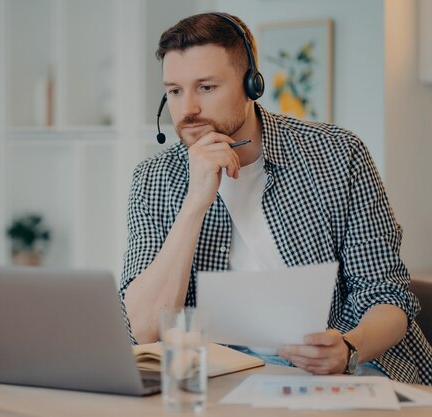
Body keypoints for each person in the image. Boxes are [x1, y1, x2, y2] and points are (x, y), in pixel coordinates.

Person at [119, 12, 432, 385]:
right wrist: (195, 202)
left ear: (252, 85)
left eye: (206, 87)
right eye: (174, 91)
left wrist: (349, 347)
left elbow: (387, 295)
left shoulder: (337, 154)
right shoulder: (154, 178)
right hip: (226, 379)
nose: (187, 110)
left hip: (353, 371)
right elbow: (145, 330)